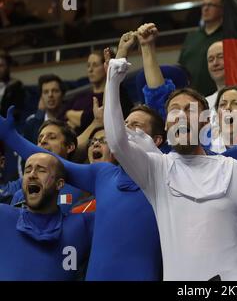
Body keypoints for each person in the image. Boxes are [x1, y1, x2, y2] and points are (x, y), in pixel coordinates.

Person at [104, 56, 237, 280]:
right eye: (174, 110)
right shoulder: (156, 170)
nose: (181, 116)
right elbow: (116, 142)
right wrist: (112, 81)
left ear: (205, 122)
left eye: (190, 110)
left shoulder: (235, 169)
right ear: (166, 125)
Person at [0, 106, 163, 281]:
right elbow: (51, 162)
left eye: (135, 125)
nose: (125, 129)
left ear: (157, 140)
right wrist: (11, 137)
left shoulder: (164, 177)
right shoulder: (103, 175)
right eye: (124, 124)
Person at [0, 152, 93, 280]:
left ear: (60, 184)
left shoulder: (82, 226)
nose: (32, 175)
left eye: (41, 170)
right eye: (27, 170)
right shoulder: (3, 216)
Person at [178, 0, 224, 97]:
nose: (205, 8)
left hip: (218, 97)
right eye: (204, 5)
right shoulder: (192, 36)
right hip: (191, 98)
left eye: (211, 5)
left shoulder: (228, 35)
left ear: (222, 9)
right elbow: (181, 66)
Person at [23, 74, 66, 144]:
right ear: (41, 97)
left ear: (62, 95)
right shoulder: (31, 124)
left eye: (55, 91)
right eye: (46, 92)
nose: (50, 95)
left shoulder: (71, 121)